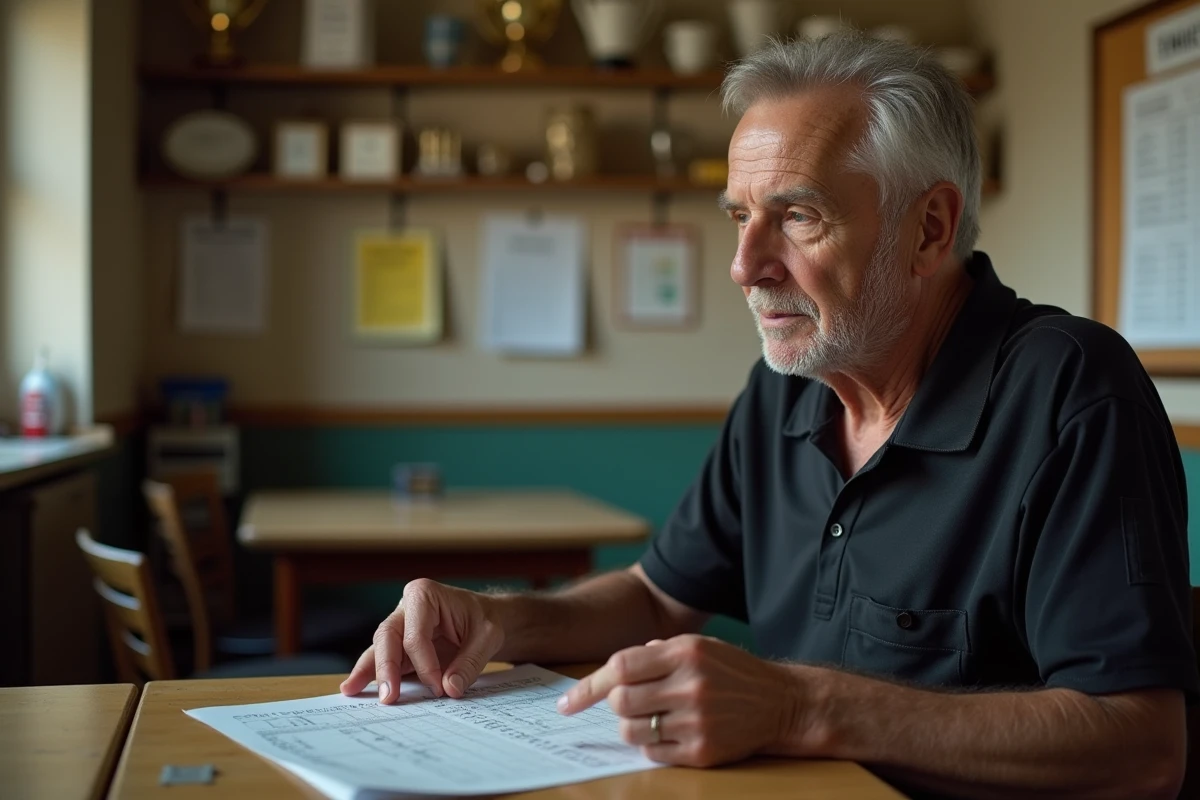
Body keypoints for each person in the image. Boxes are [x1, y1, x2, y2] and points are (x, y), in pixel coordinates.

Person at [340, 33, 1198, 799]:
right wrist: (501, 620)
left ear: (929, 229)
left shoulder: (1070, 386)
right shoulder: (789, 382)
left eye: (797, 216)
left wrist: (797, 704)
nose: (745, 266)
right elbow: (654, 597)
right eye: (740, 218)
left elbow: (1141, 748)